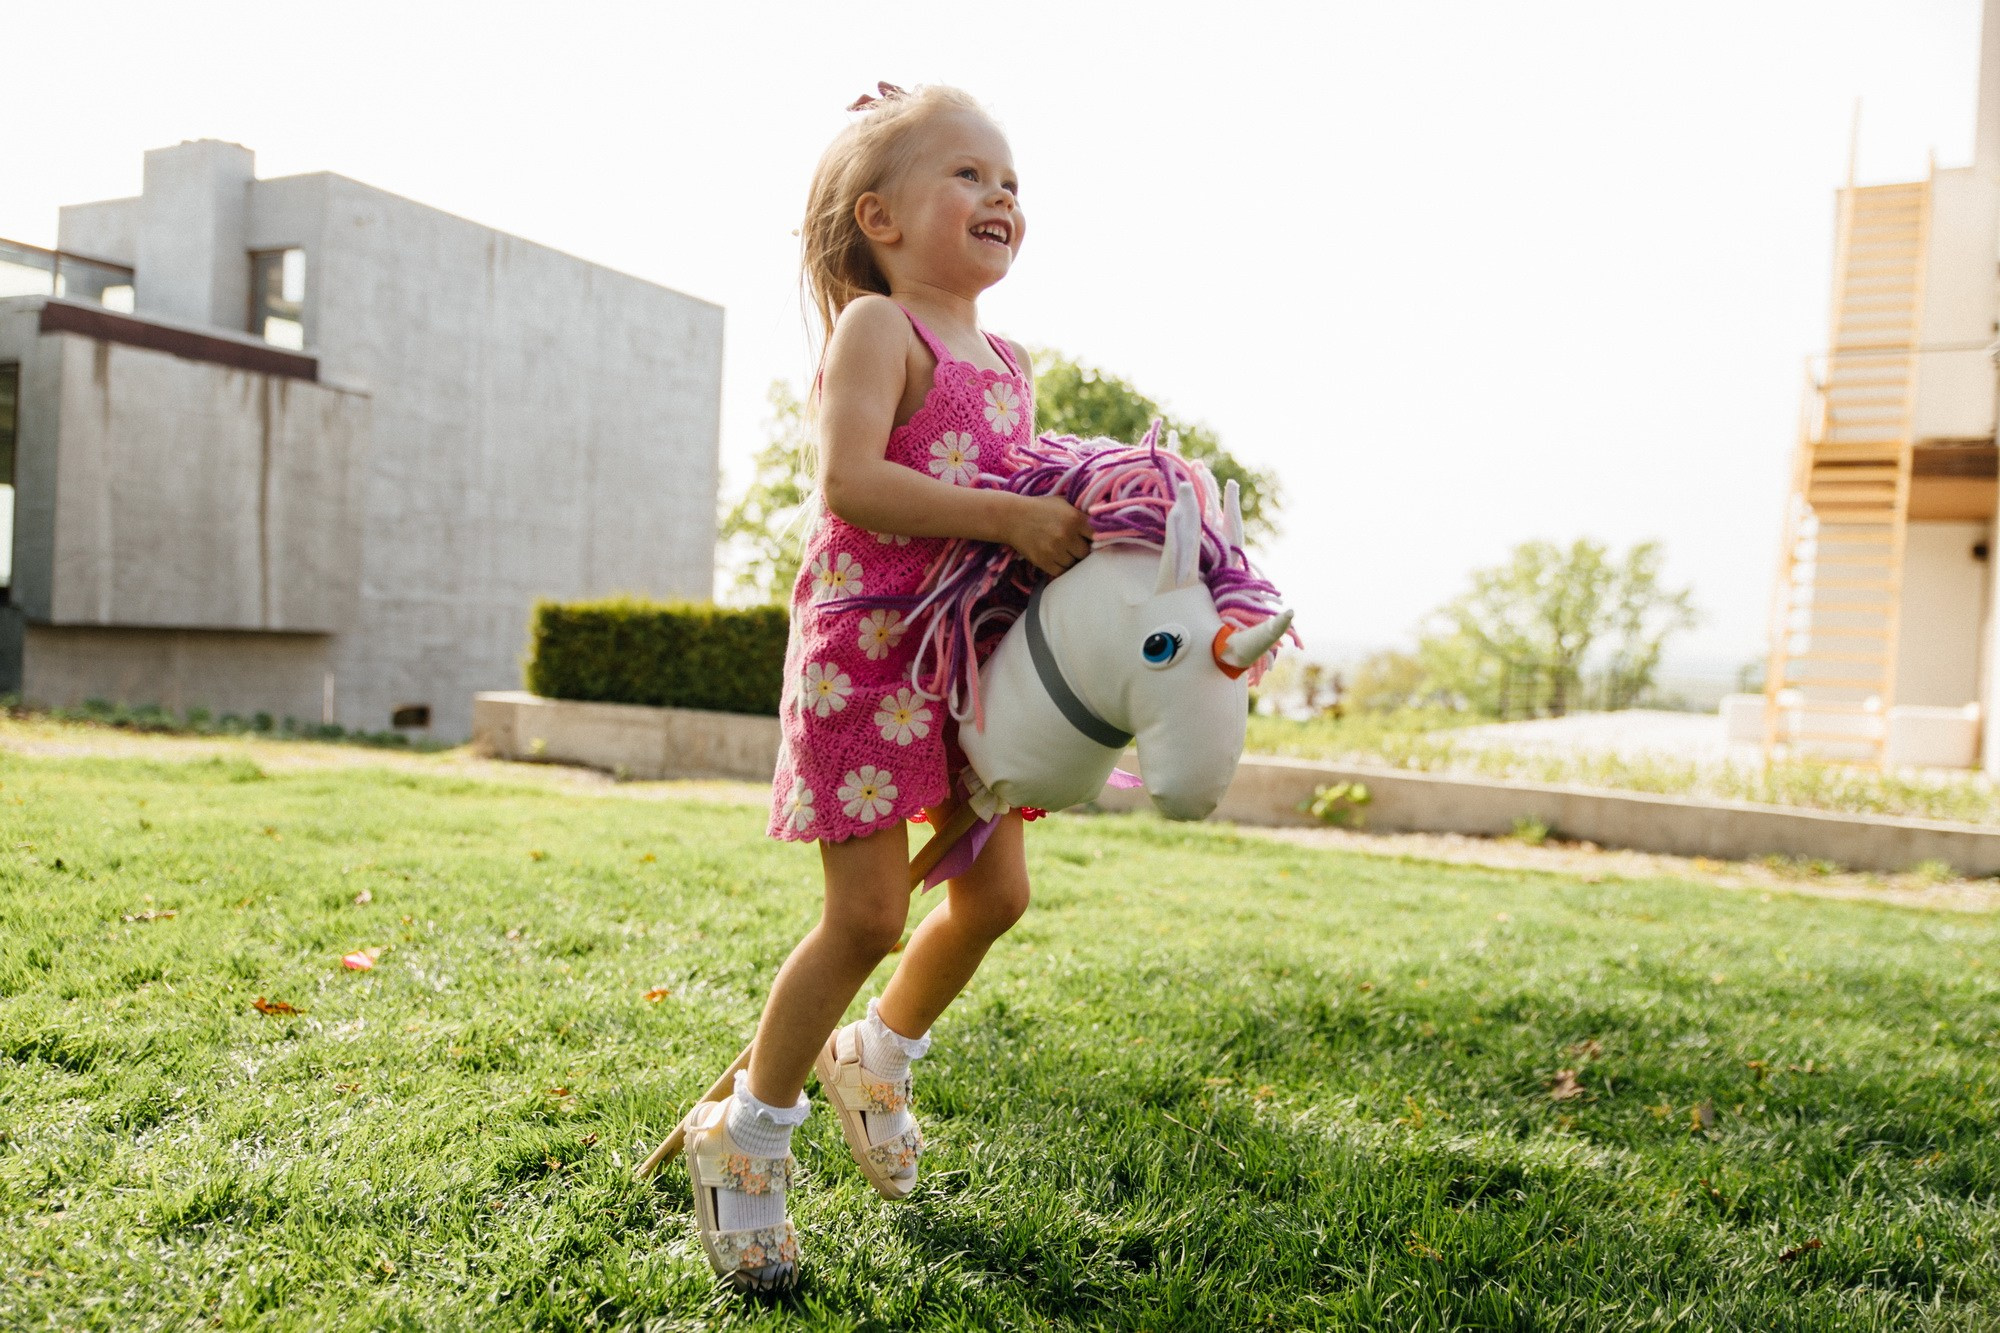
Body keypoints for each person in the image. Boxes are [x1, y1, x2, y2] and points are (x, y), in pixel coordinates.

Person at [679, 83, 1095, 1291]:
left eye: (1010, 180)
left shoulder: (1010, 362)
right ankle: (746, 1134)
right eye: (967, 174)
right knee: (865, 914)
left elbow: (1027, 523)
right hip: (868, 659)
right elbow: (855, 483)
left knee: (994, 893)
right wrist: (1012, 515)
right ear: (880, 216)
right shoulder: (878, 329)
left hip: (962, 666)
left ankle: (878, 1052)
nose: (1001, 195)